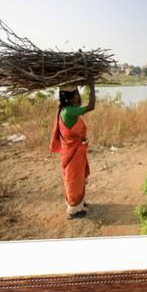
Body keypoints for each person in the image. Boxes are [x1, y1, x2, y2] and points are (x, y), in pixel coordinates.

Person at [49, 77, 96, 219]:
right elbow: (91, 106)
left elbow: (81, 106)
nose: (78, 95)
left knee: (78, 177)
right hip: (73, 152)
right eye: (76, 93)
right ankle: (73, 210)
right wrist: (92, 86)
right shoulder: (69, 111)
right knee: (73, 179)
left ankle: (79, 203)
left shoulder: (66, 109)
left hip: (74, 151)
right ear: (71, 97)